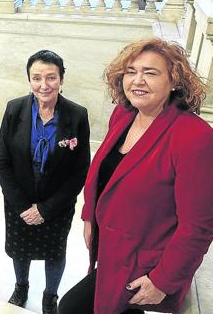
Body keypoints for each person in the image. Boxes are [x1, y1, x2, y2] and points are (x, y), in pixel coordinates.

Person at [59, 38, 213, 314]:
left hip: (146, 264)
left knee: (71, 307)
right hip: (112, 253)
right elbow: (105, 174)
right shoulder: (123, 115)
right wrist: (89, 215)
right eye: (131, 72)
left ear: (174, 81)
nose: (138, 81)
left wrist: (162, 281)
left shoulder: (194, 137)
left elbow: (198, 227)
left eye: (150, 73)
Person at [0, 50, 90, 314]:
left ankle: (50, 296)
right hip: (19, 203)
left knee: (54, 253)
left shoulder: (77, 115)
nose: (43, 85)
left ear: (61, 79)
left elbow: (80, 170)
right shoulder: (15, 109)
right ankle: (21, 287)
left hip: (56, 205)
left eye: (51, 77)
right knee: (20, 250)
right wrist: (23, 206)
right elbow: (1, 162)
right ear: (29, 79)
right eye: (36, 78)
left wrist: (46, 209)